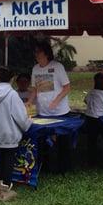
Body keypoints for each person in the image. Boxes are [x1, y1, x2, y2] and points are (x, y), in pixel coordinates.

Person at [0, 67, 32, 201]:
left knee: (1, 158)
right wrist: (28, 123)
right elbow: (20, 116)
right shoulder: (12, 94)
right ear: (12, 79)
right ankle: (5, 188)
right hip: (10, 133)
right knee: (9, 160)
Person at [28, 41, 72, 171]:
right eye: (35, 52)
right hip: (43, 111)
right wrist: (30, 101)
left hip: (60, 111)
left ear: (46, 54)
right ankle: (44, 166)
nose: (36, 55)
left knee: (63, 141)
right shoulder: (35, 69)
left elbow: (67, 87)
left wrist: (56, 101)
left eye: (39, 52)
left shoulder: (58, 67)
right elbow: (35, 89)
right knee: (42, 141)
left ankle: (63, 167)